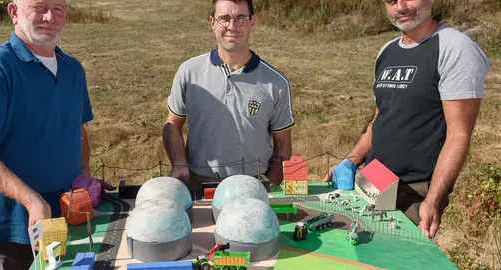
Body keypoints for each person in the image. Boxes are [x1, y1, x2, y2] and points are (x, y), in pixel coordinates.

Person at [0, 0, 113, 269]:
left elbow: (78, 129)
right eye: (39, 7)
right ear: (14, 12)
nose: (49, 17)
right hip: (16, 228)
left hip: (67, 213)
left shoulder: (73, 69)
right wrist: (32, 201)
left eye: (58, 8)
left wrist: (84, 175)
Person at [324, 0, 489, 239]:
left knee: (401, 260)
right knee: (363, 257)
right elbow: (381, 118)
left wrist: (433, 200)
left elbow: (459, 134)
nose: (400, 6)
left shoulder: (455, 48)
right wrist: (350, 161)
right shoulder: (387, 51)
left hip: (415, 191)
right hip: (374, 180)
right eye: (391, 1)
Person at [163, 0, 295, 197]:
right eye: (224, 19)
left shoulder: (276, 83)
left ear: (253, 22)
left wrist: (268, 186)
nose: (232, 27)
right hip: (198, 184)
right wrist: (179, 163)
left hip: (253, 185)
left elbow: (283, 144)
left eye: (240, 18)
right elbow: (173, 123)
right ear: (212, 22)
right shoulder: (188, 72)